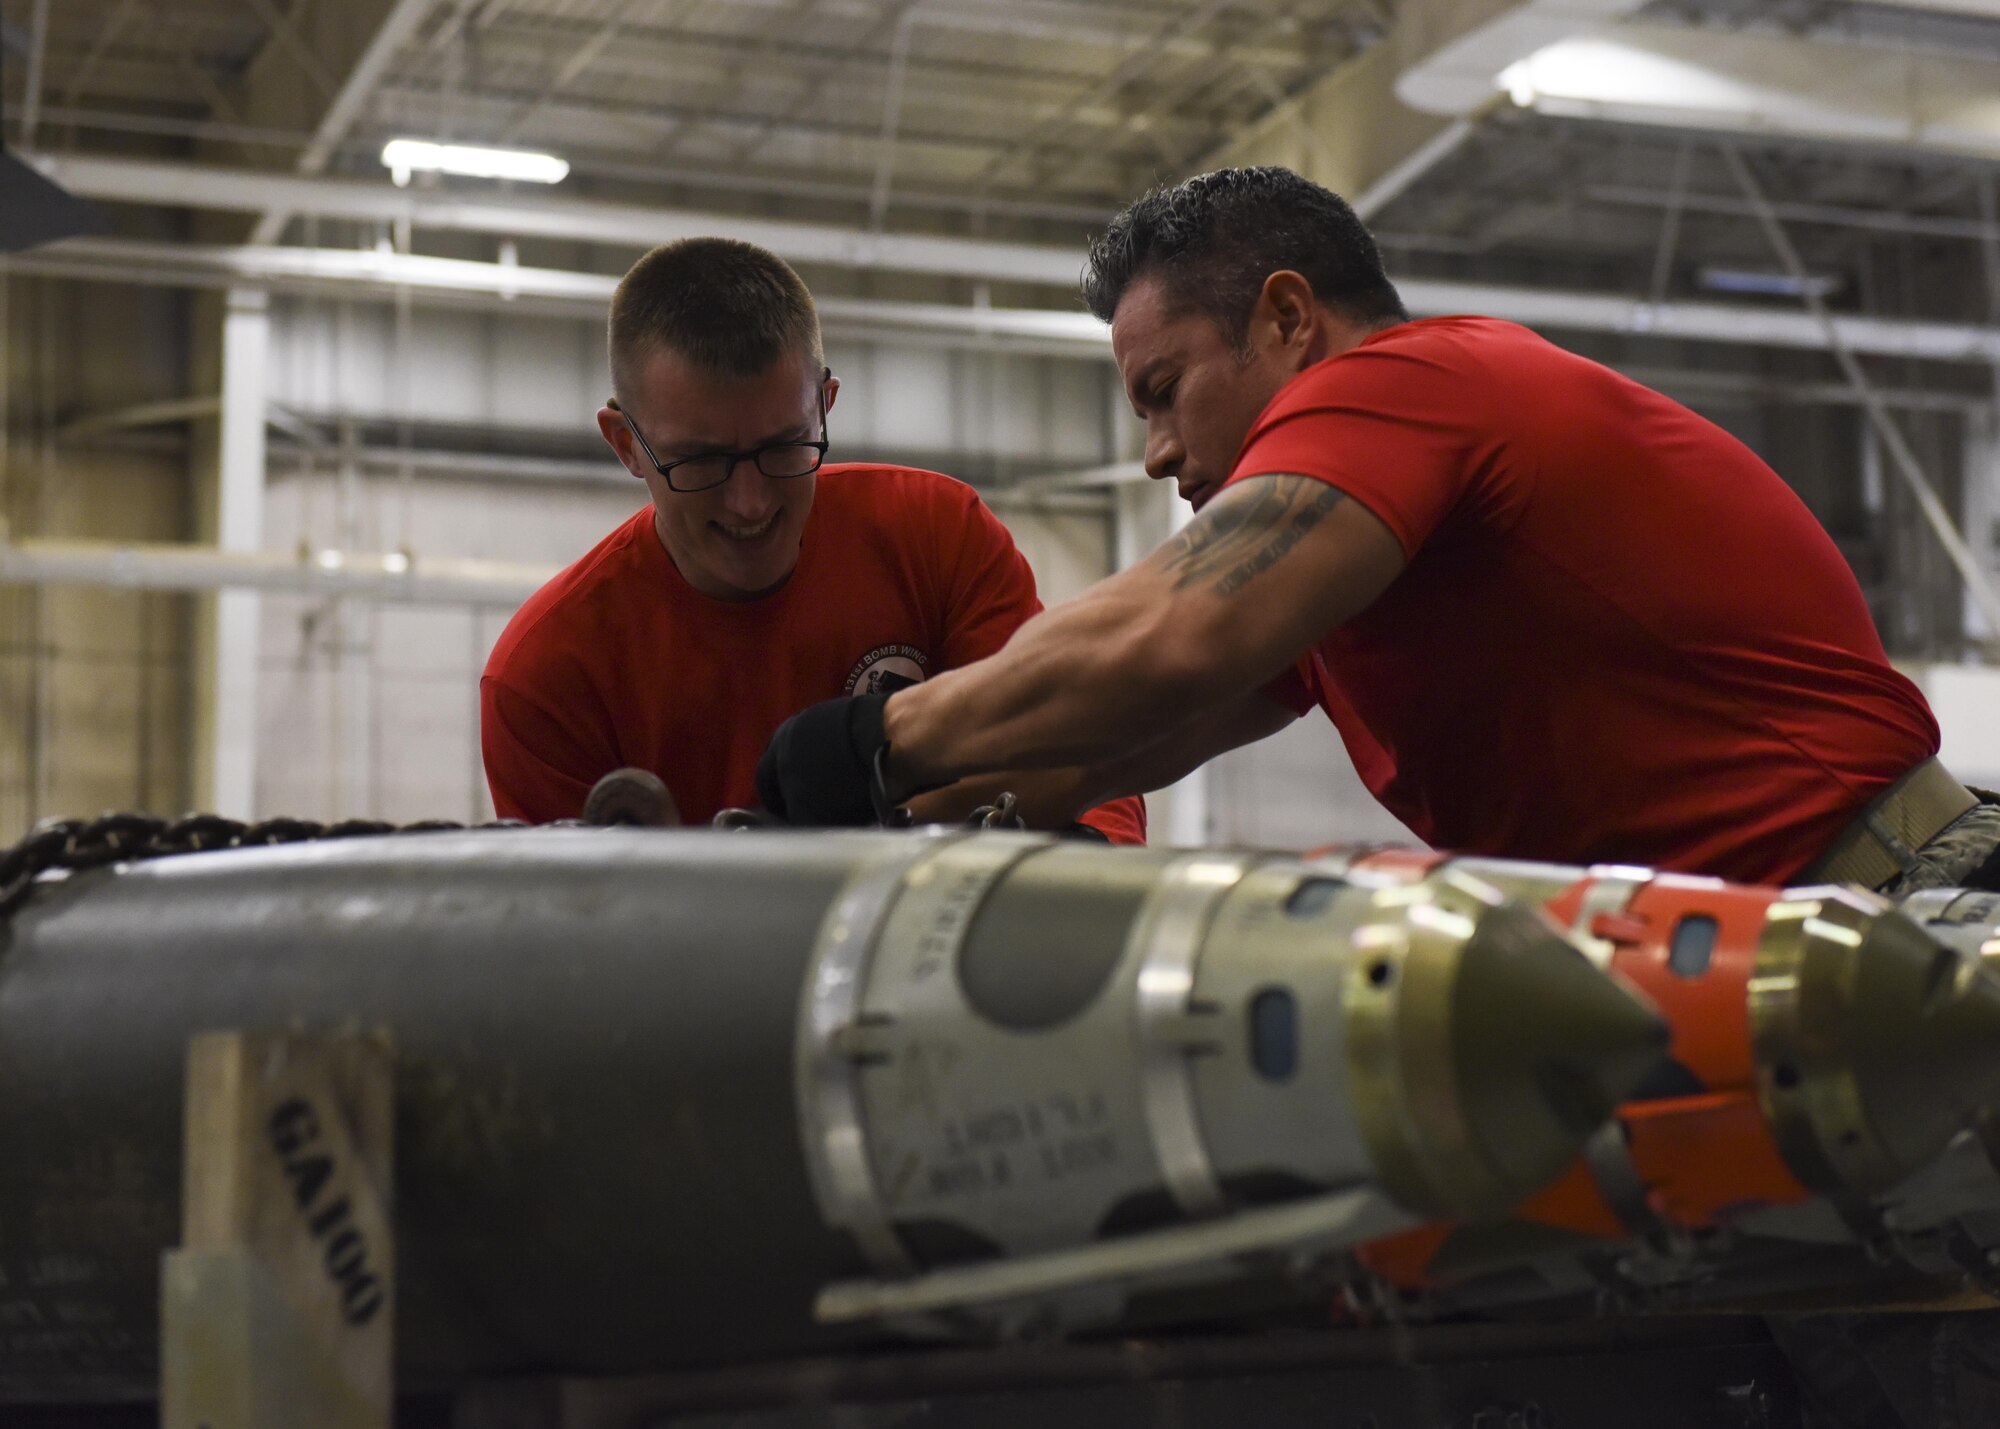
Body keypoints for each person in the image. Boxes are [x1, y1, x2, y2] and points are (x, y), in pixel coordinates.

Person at [756, 165, 2000, 893]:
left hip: (1903, 911)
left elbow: (1166, 638)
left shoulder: (1412, 384)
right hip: (1786, 944)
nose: (1155, 452)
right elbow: (1106, 743)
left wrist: (871, 738)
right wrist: (846, 842)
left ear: (1287, 319)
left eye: (1164, 389)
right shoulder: (1352, 569)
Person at [481, 236, 1146, 844]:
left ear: (824, 405)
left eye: (785, 446)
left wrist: (1090, 862)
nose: (751, 501)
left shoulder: (937, 536)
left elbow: (1071, 746)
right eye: (701, 462)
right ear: (626, 443)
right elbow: (575, 940)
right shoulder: (546, 677)